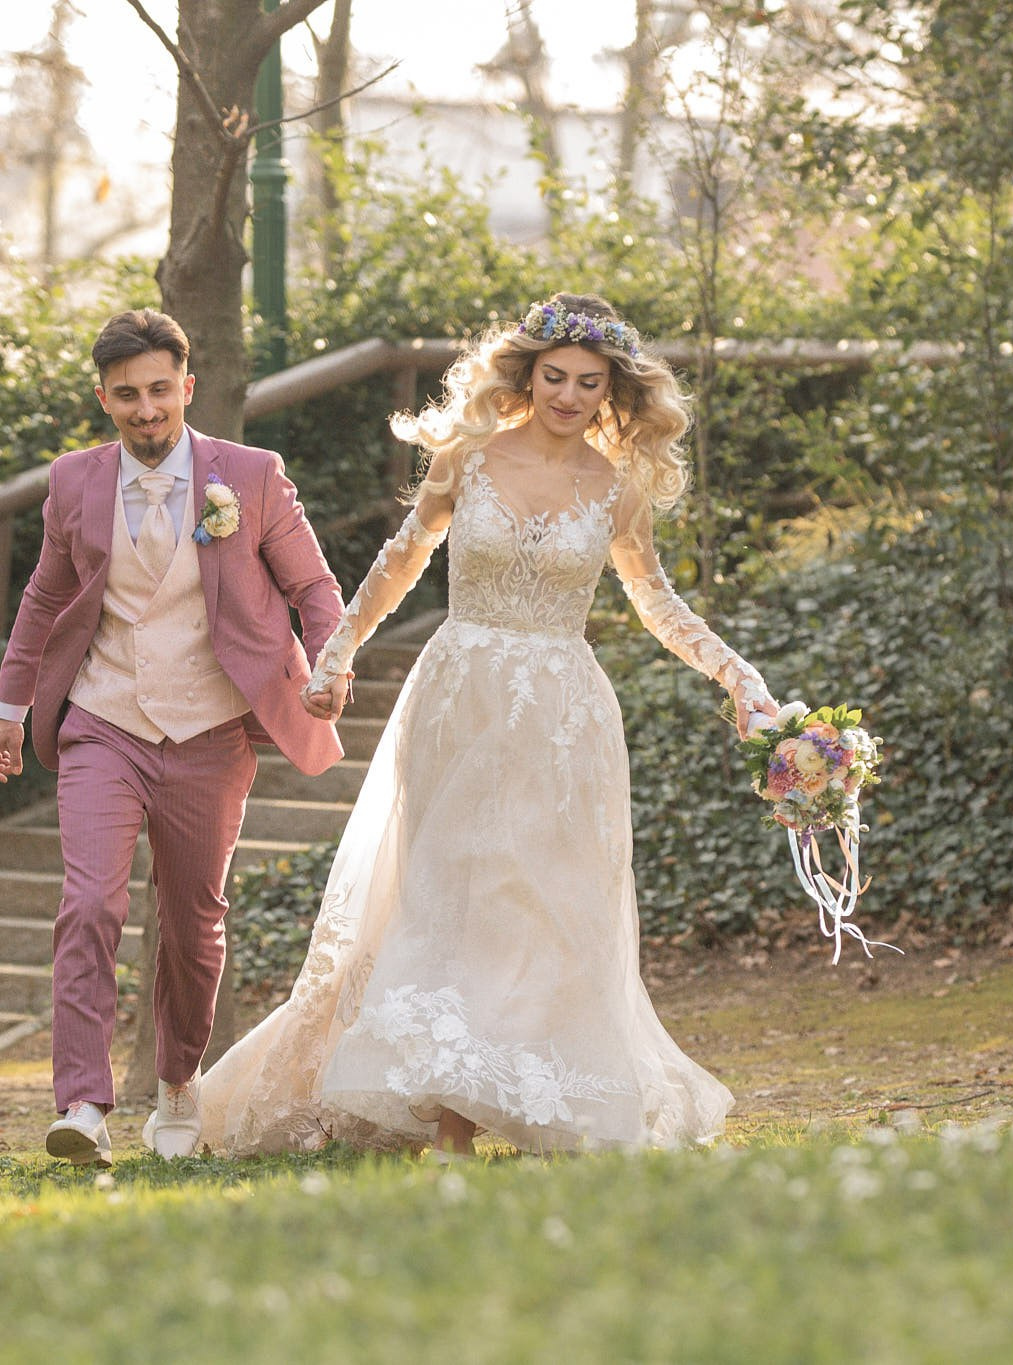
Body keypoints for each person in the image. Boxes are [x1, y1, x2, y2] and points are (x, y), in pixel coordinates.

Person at [200, 293, 776, 1159]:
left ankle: (529, 1096)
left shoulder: (616, 488)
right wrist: (336, 655)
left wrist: (737, 672)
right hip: (460, 696)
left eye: (589, 383)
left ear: (612, 390)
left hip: (563, 716)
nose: (570, 396)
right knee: (452, 894)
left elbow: (655, 600)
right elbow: (397, 565)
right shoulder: (466, 460)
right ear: (527, 374)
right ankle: (450, 1126)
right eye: (555, 377)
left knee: (541, 905)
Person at [0, 308, 347, 1166]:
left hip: (211, 728)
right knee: (90, 901)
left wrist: (332, 665)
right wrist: (8, 709)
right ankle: (81, 1102)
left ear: (187, 386)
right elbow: (41, 600)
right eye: (125, 395)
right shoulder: (74, 481)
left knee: (193, 919)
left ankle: (179, 1084)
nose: (145, 410)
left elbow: (315, 585)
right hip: (103, 722)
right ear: (103, 398)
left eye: (158, 390)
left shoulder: (250, 477)